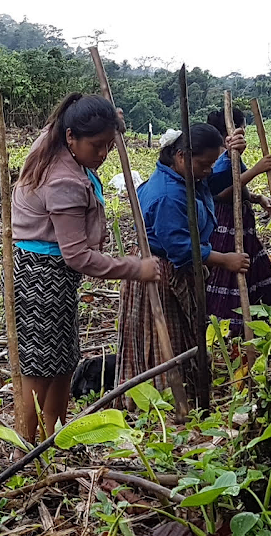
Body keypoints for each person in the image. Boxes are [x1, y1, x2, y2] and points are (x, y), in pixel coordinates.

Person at [10, 93, 161, 441]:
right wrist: (135, 268)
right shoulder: (64, 181)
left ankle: (55, 438)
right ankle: (25, 447)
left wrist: (109, 117)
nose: (103, 154)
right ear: (71, 137)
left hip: (55, 277)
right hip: (41, 276)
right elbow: (77, 256)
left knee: (64, 360)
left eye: (109, 145)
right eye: (97, 145)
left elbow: (62, 120)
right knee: (39, 367)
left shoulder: (54, 141)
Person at [117, 125, 250, 404]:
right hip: (159, 273)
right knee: (164, 339)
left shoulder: (189, 176)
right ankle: (166, 400)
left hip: (173, 268)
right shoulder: (168, 195)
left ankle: (187, 392)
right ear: (181, 156)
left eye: (212, 163)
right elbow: (181, 249)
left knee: (183, 333)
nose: (208, 170)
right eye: (204, 164)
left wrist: (230, 154)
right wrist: (224, 260)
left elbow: (216, 177)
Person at [204, 108, 271, 336]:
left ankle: (257, 320)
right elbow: (221, 193)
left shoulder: (230, 154)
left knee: (255, 268)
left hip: (241, 222)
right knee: (230, 276)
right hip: (226, 223)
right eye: (243, 129)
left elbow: (239, 187)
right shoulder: (218, 157)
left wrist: (257, 198)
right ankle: (230, 329)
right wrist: (256, 170)